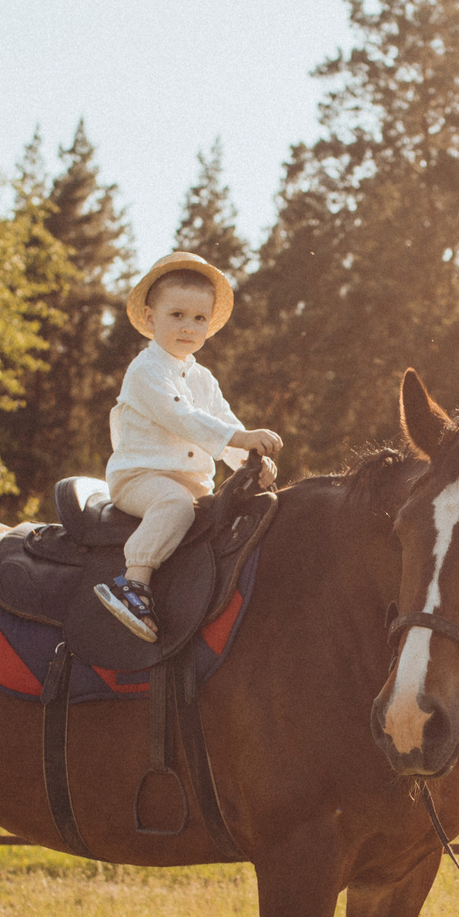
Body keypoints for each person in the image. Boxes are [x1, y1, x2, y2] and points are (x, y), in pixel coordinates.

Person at [92, 251, 283, 642]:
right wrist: (242, 438)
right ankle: (133, 581)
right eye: (177, 315)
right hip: (141, 477)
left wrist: (249, 460)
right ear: (150, 318)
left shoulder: (204, 379)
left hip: (193, 486)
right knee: (174, 506)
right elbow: (183, 417)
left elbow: (223, 421)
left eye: (198, 318)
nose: (188, 327)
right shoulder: (146, 370)